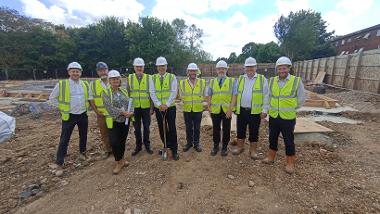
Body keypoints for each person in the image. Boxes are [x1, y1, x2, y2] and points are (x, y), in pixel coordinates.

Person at [49, 62, 95, 175]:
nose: (75, 73)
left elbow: (89, 98)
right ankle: (60, 160)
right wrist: (63, 108)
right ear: (69, 72)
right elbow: (52, 99)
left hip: (83, 114)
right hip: (69, 115)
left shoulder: (85, 84)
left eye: (77, 71)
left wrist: (93, 109)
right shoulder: (62, 84)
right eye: (73, 71)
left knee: (83, 135)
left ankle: (83, 153)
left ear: (80, 72)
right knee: (65, 138)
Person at [262, 56, 305, 174]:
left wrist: (292, 108)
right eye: (280, 68)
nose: (282, 71)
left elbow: (301, 98)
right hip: (274, 116)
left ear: (289, 68)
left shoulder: (296, 81)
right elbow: (268, 97)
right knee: (272, 137)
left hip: (288, 117)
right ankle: (271, 157)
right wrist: (266, 109)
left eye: (284, 68)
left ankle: (290, 163)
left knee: (288, 140)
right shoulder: (272, 81)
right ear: (277, 69)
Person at [231, 57, 269, 159]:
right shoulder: (240, 79)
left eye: (251, 67)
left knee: (254, 131)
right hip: (242, 110)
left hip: (255, 111)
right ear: (245, 68)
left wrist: (265, 110)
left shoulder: (262, 79)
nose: (249, 69)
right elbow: (235, 94)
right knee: (240, 130)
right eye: (247, 67)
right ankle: (240, 147)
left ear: (255, 67)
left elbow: (266, 95)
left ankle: (253, 151)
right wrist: (234, 107)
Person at [102, 70, 134, 174]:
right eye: (113, 79)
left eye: (117, 78)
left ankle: (122, 159)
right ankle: (118, 162)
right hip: (113, 121)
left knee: (122, 141)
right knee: (114, 142)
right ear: (109, 80)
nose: (115, 80)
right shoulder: (106, 92)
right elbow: (109, 108)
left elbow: (130, 102)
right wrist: (123, 112)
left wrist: (131, 111)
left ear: (120, 79)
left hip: (125, 121)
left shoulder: (123, 91)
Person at [149, 57, 179, 160]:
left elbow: (174, 92)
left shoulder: (172, 77)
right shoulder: (152, 78)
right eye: (159, 66)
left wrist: (166, 104)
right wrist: (158, 104)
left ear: (166, 66)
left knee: (172, 128)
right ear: (157, 67)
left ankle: (174, 150)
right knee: (162, 128)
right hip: (159, 108)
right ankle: (167, 147)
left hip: (170, 107)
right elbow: (152, 92)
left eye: (163, 66)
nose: (161, 67)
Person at [206, 60, 236, 156]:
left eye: (223, 69)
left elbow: (234, 96)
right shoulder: (212, 81)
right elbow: (209, 94)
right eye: (219, 69)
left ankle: (224, 147)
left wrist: (230, 109)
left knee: (226, 129)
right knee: (216, 128)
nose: (221, 70)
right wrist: (209, 106)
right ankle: (216, 146)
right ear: (216, 70)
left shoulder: (232, 81)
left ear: (226, 69)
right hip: (215, 110)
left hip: (226, 110)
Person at [127, 57, 153, 156]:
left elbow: (152, 94)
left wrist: (151, 107)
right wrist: (129, 108)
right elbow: (128, 94)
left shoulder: (149, 78)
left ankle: (147, 145)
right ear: (134, 67)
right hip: (135, 108)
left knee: (146, 127)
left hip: (146, 108)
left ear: (143, 67)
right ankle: (138, 146)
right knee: (136, 128)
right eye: (137, 67)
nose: (139, 68)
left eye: (141, 67)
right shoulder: (130, 78)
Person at [179, 63, 206, 153]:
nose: (193, 72)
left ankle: (196, 144)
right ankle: (189, 143)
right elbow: (181, 95)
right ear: (188, 72)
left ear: (197, 72)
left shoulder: (202, 82)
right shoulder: (182, 83)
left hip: (198, 109)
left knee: (197, 128)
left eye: (194, 71)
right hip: (187, 109)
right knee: (188, 127)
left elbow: (205, 95)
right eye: (191, 71)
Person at [91, 62, 112, 159]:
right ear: (97, 72)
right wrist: (96, 111)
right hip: (101, 113)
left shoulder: (114, 81)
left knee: (114, 131)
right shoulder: (94, 84)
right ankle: (108, 149)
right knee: (104, 132)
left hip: (113, 113)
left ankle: (116, 148)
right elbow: (91, 99)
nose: (103, 72)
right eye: (100, 71)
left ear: (107, 70)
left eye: (104, 70)